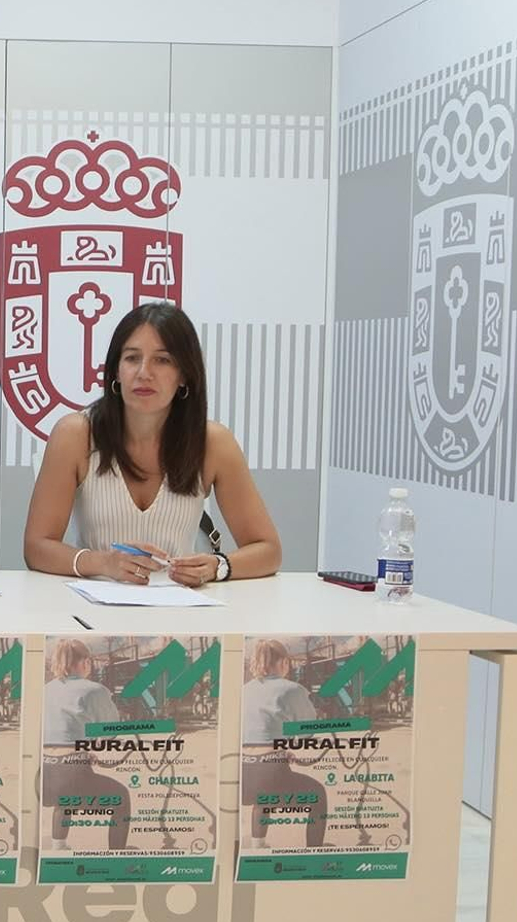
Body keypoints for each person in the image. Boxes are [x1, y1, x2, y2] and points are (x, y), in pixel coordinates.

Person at [23, 302, 281, 586]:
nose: (144, 372)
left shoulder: (214, 443)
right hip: (95, 605)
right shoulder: (75, 435)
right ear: (116, 372)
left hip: (182, 609)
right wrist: (103, 562)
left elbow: (268, 550)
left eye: (162, 360)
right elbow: (37, 548)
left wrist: (218, 566)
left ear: (184, 374)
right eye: (132, 358)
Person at [41, 639, 130, 850]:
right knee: (121, 798)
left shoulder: (45, 690)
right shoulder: (94, 690)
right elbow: (110, 732)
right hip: (71, 774)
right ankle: (116, 855)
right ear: (85, 662)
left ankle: (59, 845)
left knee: (65, 796)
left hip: (44, 775)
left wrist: (81, 750)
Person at [240, 638, 326, 850]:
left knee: (263, 797)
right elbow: (307, 733)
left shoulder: (244, 690)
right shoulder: (292, 689)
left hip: (244, 772)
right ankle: (313, 851)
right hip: (270, 771)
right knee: (317, 794)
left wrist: (280, 749)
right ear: (284, 662)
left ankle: (257, 845)